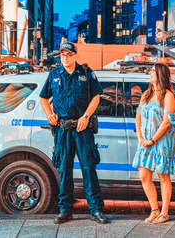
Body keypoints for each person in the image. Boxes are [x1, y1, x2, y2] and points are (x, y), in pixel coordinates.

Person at [39, 42, 107, 225]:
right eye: (62, 55)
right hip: (63, 129)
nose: (65, 58)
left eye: (68, 55)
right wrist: (49, 114)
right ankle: (65, 210)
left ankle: (95, 209)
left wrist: (86, 116)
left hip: (82, 128)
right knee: (64, 170)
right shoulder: (54, 74)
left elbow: (96, 96)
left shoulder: (85, 73)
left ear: (74, 55)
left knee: (88, 168)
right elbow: (43, 97)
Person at [132, 63, 175, 224]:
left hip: (162, 141)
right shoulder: (146, 94)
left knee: (163, 176)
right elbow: (138, 116)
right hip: (145, 141)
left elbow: (166, 123)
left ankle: (164, 213)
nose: (150, 73)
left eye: (152, 71)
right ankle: (154, 210)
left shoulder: (168, 96)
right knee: (144, 176)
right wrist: (140, 137)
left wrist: (152, 140)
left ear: (160, 74)